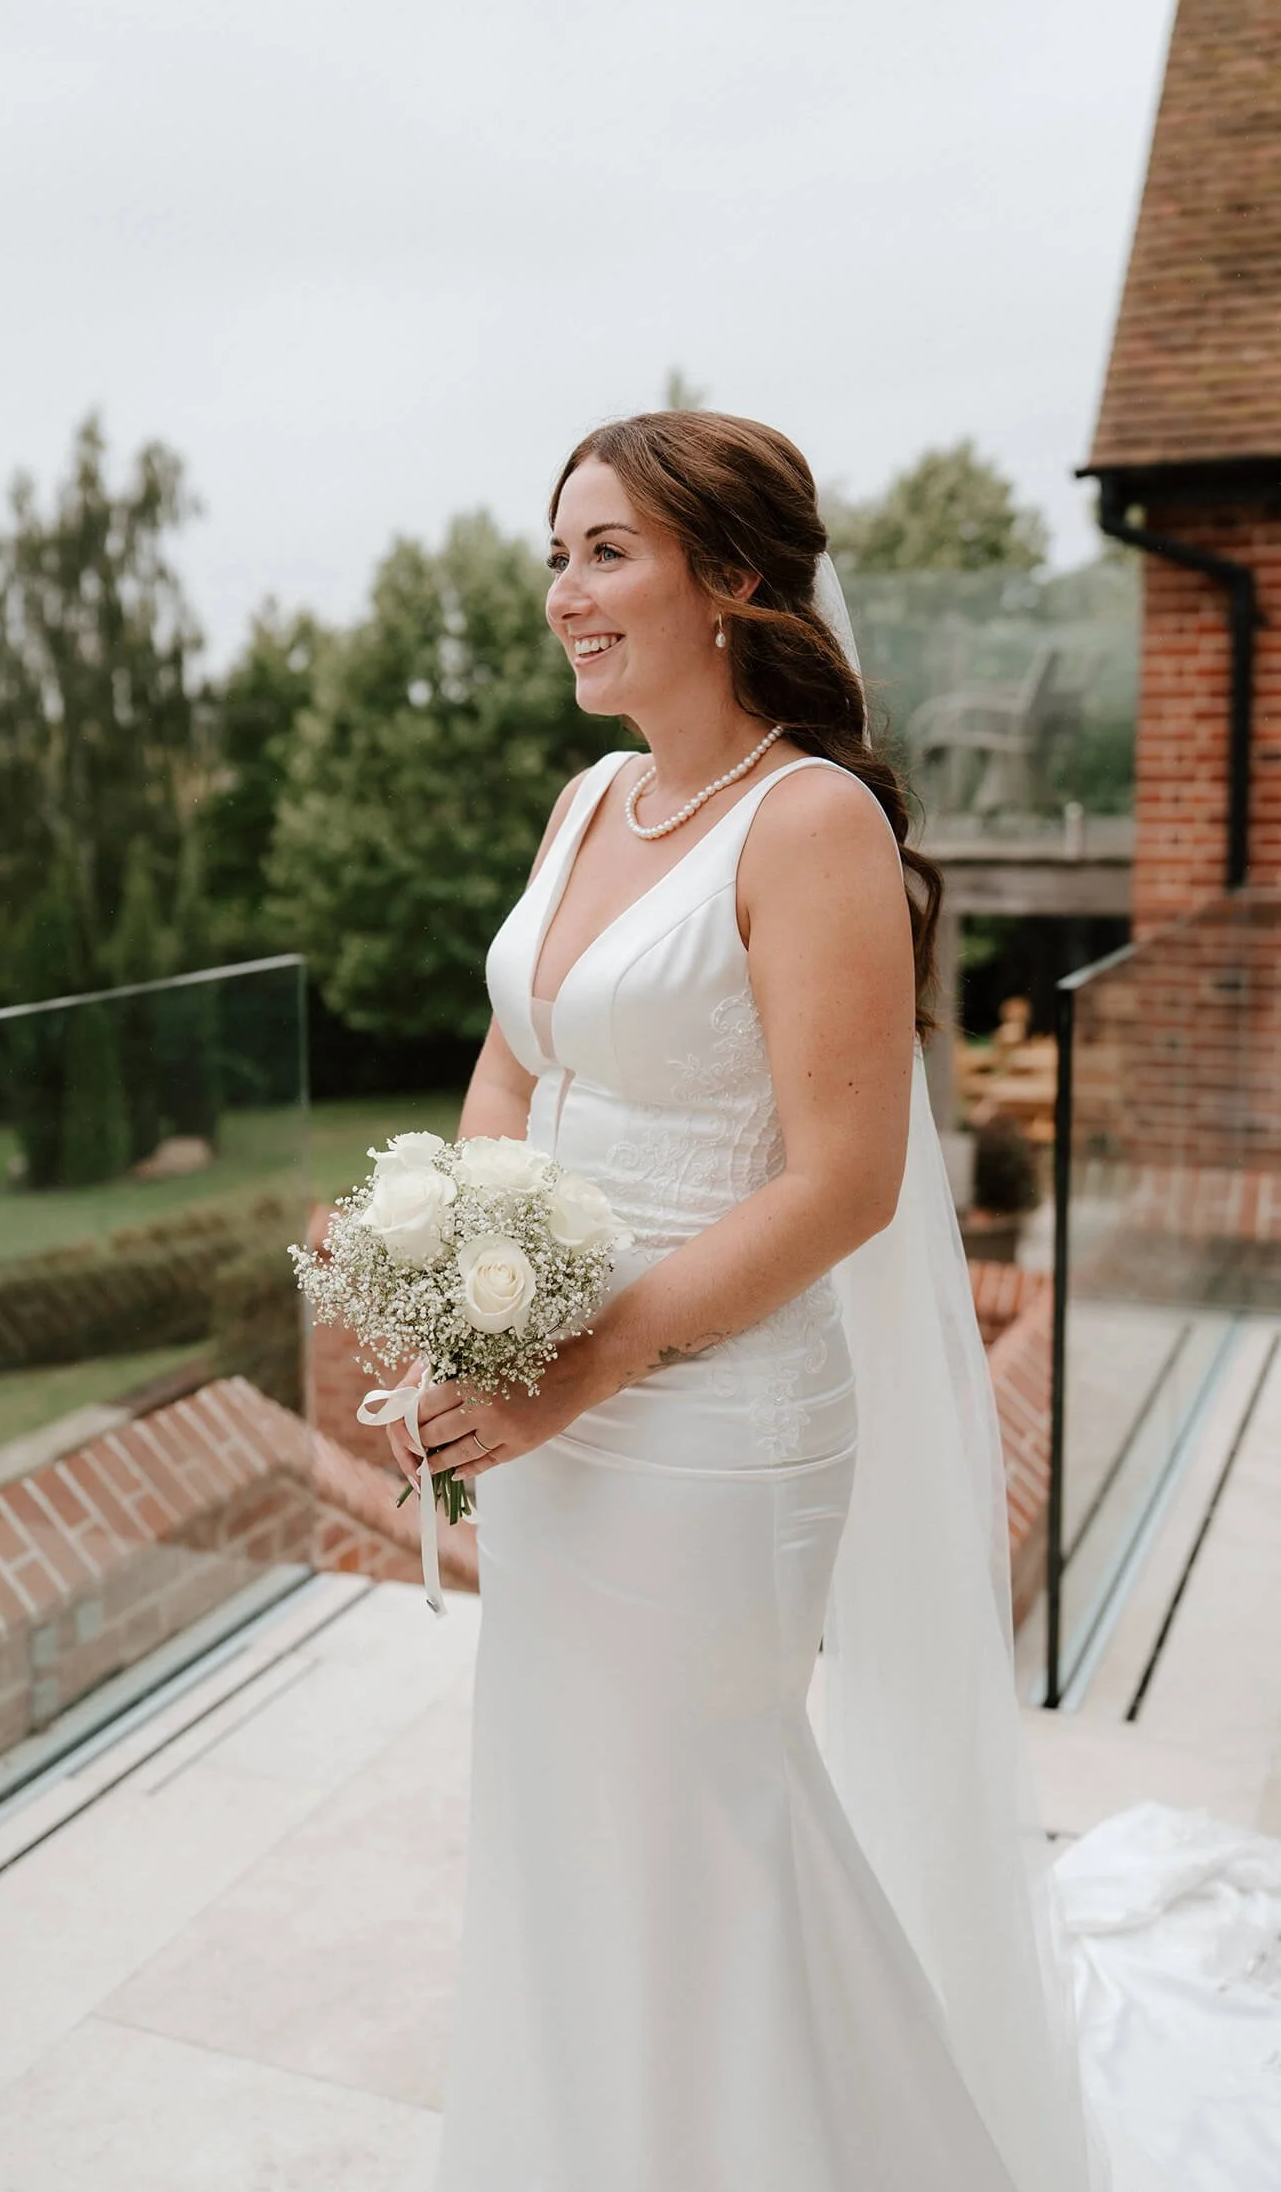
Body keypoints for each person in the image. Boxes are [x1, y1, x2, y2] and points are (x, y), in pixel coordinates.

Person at [377, 412, 1137, 2189]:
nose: (566, 593)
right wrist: (461, 1304)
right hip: (556, 1397)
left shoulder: (811, 824)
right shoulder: (590, 803)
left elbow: (844, 1181)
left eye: (607, 551)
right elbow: (512, 1061)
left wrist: (580, 1363)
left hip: (717, 1419)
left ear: (731, 578)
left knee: (704, 1831)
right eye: (556, 553)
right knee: (573, 1821)